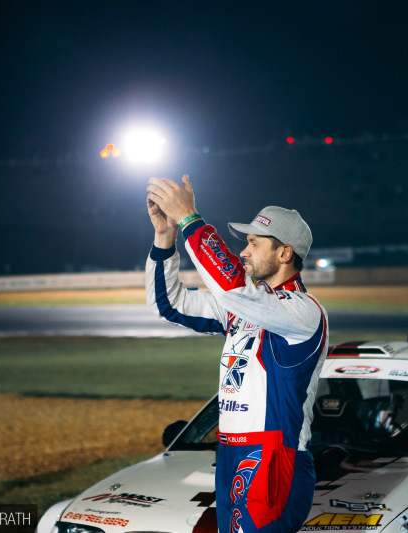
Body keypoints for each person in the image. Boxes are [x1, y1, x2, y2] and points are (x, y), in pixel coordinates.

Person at [146, 175, 328, 533]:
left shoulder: (303, 311)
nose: (244, 251)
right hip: (230, 451)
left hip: (275, 457)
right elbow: (169, 304)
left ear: (285, 253)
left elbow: (234, 287)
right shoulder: (243, 306)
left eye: (254, 243)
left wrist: (189, 219)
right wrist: (166, 237)